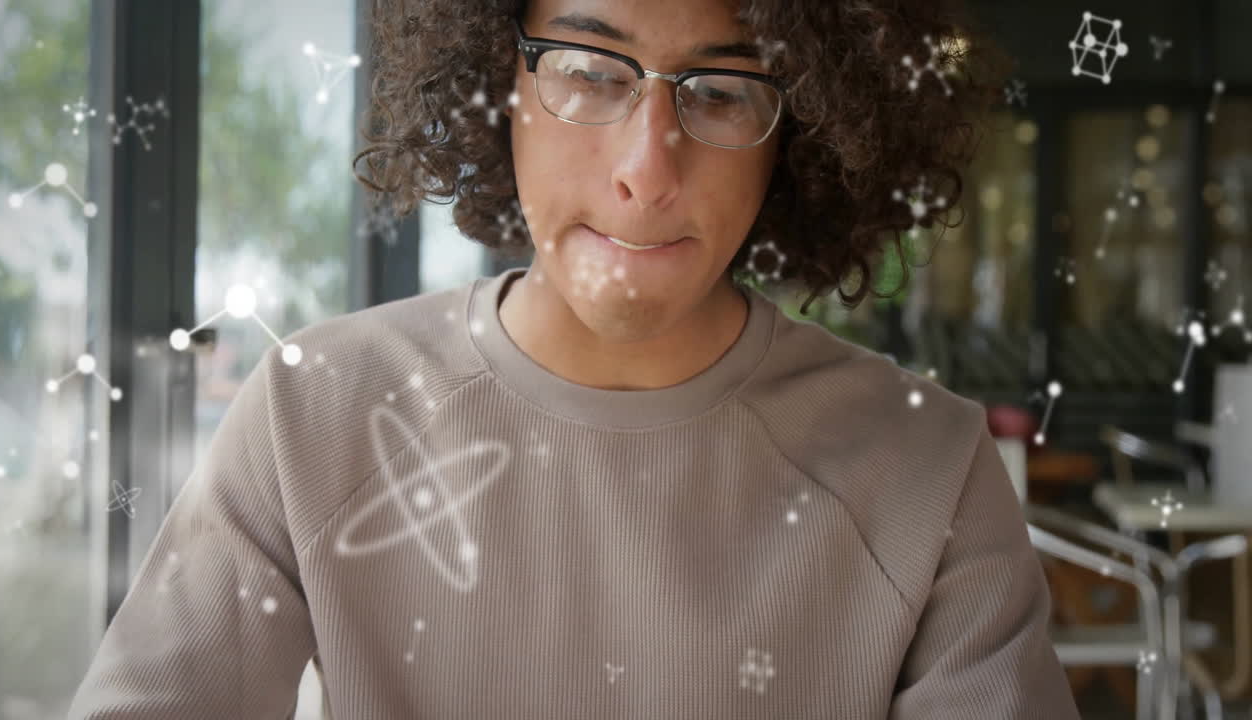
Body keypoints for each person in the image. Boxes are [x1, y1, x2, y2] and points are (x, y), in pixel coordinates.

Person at [69, 0, 1081, 717]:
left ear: (805, 131)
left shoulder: (926, 472)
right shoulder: (315, 416)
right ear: (494, 84)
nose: (646, 168)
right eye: (591, 73)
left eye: (721, 91)